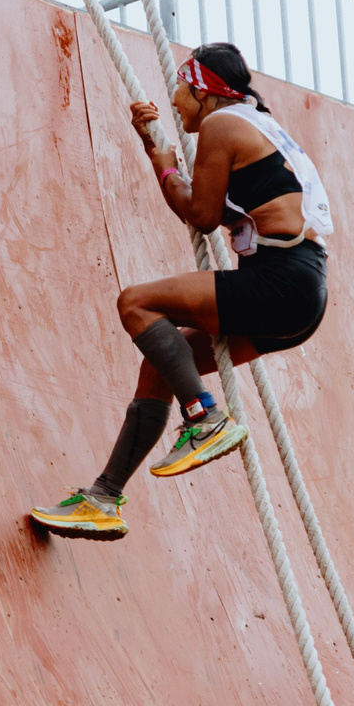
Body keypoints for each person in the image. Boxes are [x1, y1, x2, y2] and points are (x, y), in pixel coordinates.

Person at [31, 43, 335, 542]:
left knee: (136, 302)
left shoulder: (223, 125)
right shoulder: (256, 123)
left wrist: (161, 159)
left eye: (180, 86)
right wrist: (161, 152)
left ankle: (205, 417)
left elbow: (201, 215)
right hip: (305, 294)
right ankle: (103, 498)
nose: (174, 98)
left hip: (281, 279)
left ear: (203, 90)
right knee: (162, 362)